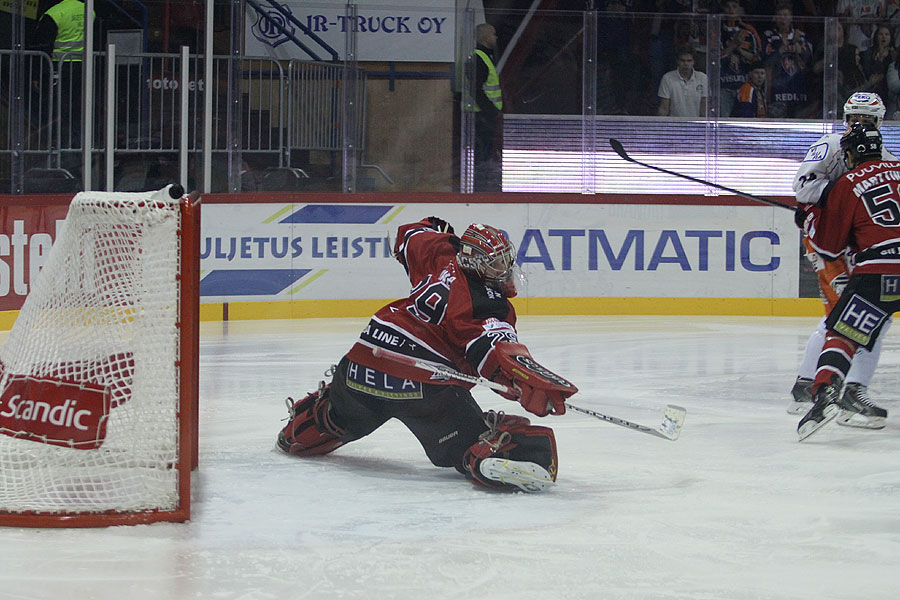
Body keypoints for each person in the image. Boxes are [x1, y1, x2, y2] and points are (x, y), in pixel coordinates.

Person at [276, 217, 578, 492]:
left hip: (361, 364)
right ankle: (488, 454)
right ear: (477, 264)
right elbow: (496, 352)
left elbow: (409, 235)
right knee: (472, 444)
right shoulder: (487, 304)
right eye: (495, 264)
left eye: (503, 262)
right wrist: (527, 380)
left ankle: (309, 426)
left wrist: (435, 226)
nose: (502, 270)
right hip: (423, 391)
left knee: (339, 413)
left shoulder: (440, 252)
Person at [790, 92, 894, 428]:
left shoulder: (885, 156)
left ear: (878, 122)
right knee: (843, 313)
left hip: (859, 247)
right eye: (853, 119)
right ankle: (814, 384)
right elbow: (803, 188)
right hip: (829, 239)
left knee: (870, 317)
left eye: (866, 120)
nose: (858, 125)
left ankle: (833, 385)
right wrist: (832, 206)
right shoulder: (831, 145)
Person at [30, 0, 92, 151]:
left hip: (59, 67)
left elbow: (42, 46)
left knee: (58, 109)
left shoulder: (55, 13)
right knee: (79, 108)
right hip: (84, 66)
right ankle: (78, 146)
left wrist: (37, 75)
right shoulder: (89, 10)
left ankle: (59, 146)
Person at [762, 3, 813, 118]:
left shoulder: (801, 36)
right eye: (780, 15)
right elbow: (765, 61)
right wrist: (781, 49)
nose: (783, 18)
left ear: (791, 18)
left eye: (785, 15)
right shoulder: (769, 36)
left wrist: (800, 49)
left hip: (798, 91)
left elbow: (809, 61)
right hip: (777, 91)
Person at [471, 23, 503, 192]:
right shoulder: (479, 58)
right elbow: (477, 89)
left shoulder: (485, 56)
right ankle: (481, 186)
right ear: (485, 38)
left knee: (485, 151)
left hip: (483, 115)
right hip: (480, 116)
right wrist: (491, 112)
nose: (495, 38)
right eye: (493, 34)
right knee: (482, 153)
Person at [719, 0, 763, 118]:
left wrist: (739, 49)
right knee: (725, 122)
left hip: (745, 85)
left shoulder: (749, 30)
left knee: (746, 119)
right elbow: (714, 57)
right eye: (727, 6)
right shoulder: (716, 28)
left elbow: (757, 58)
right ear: (723, 9)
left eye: (734, 6)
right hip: (723, 85)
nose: (731, 10)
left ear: (739, 8)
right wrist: (733, 44)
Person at [657, 47, 708, 117]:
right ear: (678, 61)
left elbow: (704, 108)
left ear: (693, 62)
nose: (686, 64)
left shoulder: (703, 78)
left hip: (696, 124)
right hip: (674, 125)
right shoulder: (667, 78)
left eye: (689, 61)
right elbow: (664, 108)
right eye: (683, 61)